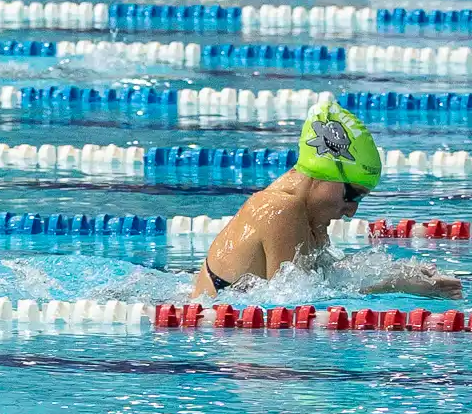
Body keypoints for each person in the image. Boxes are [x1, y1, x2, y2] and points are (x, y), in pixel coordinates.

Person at [191, 105, 458, 296]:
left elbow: (321, 279)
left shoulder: (306, 216)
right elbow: (294, 300)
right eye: (351, 195)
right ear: (325, 173)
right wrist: (395, 284)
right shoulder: (280, 208)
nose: (351, 212)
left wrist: (404, 272)